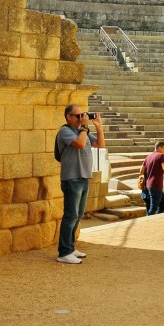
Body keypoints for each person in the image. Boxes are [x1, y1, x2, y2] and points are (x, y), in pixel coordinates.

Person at [55, 106, 105, 264]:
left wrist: (98, 127)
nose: (80, 118)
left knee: (77, 215)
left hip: (83, 178)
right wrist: (84, 127)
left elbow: (100, 145)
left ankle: (70, 248)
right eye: (77, 116)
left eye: (82, 115)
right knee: (70, 216)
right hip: (72, 178)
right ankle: (64, 252)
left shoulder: (83, 132)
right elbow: (81, 144)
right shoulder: (65, 131)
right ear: (68, 117)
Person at [142, 140, 164, 215]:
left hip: (148, 185)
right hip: (155, 184)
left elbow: (141, 170)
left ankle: (159, 217)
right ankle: (147, 220)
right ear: (159, 148)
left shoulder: (148, 157)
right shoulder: (161, 155)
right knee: (153, 208)